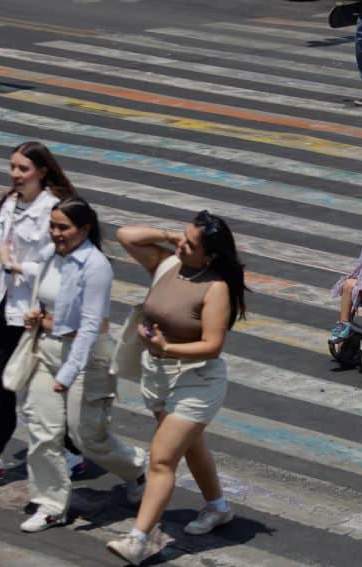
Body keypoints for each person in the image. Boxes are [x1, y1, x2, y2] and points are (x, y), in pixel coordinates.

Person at [107, 211, 247, 566]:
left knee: (162, 458)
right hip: (156, 375)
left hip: (196, 380)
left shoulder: (216, 288)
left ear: (211, 255)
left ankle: (139, 539)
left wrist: (167, 348)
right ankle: (218, 507)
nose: (181, 244)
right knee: (191, 446)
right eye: (181, 237)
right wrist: (173, 235)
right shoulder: (168, 263)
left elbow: (212, 345)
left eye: (190, 243)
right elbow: (126, 235)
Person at [19, 198, 148, 532]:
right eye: (53, 225)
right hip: (46, 350)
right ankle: (50, 505)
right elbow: (43, 298)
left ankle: (135, 469)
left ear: (85, 229)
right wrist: (36, 314)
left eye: (64, 227)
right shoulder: (49, 255)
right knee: (42, 431)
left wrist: (68, 372)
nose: (56, 233)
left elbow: (91, 327)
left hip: (86, 358)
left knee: (87, 436)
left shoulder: (95, 265)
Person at [0, 141, 84, 481]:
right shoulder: (9, 204)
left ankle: (72, 449)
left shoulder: (53, 210)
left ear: (42, 171)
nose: (15, 174)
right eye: (13, 167)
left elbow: (54, 261)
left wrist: (16, 268)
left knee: (48, 380)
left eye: (23, 169)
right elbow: (2, 249)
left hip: (40, 308)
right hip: (8, 304)